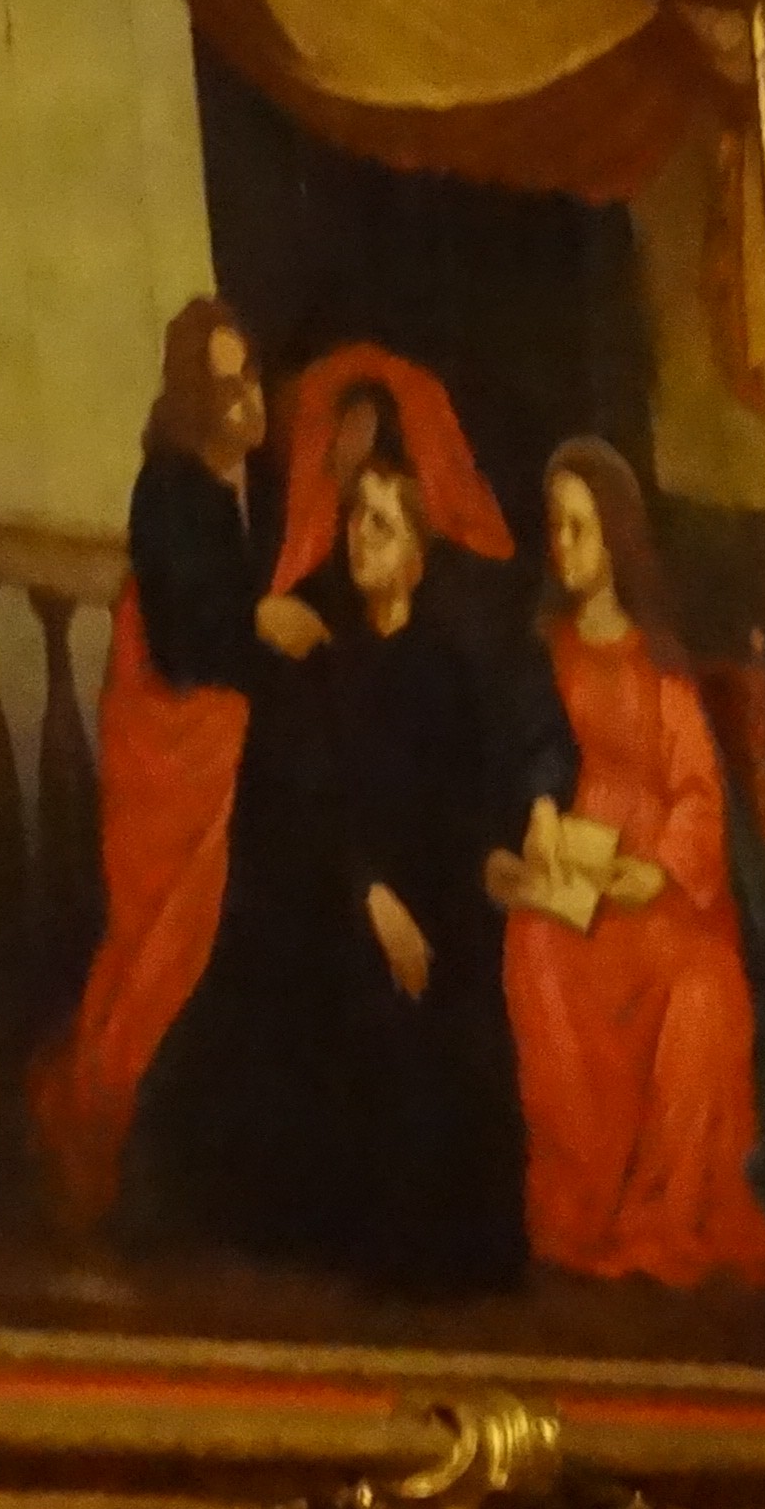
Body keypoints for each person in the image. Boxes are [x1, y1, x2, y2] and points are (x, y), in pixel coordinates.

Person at [129, 454, 567, 1298]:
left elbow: (464, 809)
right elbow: (308, 807)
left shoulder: (448, 669)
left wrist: (494, 862)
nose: (360, 536)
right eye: (356, 516)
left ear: (415, 559)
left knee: (460, 1031)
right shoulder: (323, 662)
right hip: (334, 904)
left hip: (433, 906)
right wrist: (371, 897)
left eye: (383, 525)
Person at [33, 300, 312, 1228]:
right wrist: (261, 627)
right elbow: (187, 644)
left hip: (223, 727)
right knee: (162, 934)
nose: (247, 403)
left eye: (252, 379)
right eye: (225, 387)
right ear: (193, 397)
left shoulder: (260, 486)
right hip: (168, 739)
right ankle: (112, 1116)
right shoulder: (168, 488)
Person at [496, 441, 765, 1293]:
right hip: (574, 867)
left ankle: (660, 1213)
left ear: (616, 536)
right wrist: (538, 824)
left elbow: (698, 792)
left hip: (658, 884)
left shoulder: (659, 663)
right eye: (555, 527)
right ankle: (577, 1208)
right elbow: (520, 763)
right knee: (536, 950)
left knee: (697, 989)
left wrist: (658, 870)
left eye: (580, 528)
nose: (563, 545)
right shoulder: (543, 652)